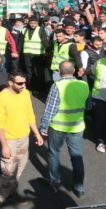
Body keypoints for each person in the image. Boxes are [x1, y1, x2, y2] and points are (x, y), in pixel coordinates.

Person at [0, 70, 43, 209]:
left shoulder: (25, 93)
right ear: (10, 82)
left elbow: (29, 114)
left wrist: (36, 133)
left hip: (24, 139)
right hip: (10, 141)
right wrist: (4, 146)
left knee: (18, 170)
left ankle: (11, 193)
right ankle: (0, 201)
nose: (23, 86)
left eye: (25, 82)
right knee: (7, 173)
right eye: (20, 83)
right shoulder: (0, 100)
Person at [40, 61, 89, 197]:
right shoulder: (84, 84)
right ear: (73, 71)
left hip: (58, 126)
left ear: (60, 72)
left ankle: (55, 181)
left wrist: (44, 126)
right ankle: (78, 187)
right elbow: (89, 104)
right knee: (77, 157)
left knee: (54, 153)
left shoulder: (57, 86)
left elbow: (50, 108)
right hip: (77, 126)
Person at [20, 17, 48, 92]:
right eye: (31, 23)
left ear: (37, 23)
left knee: (37, 72)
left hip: (38, 55)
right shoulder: (24, 30)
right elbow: (20, 43)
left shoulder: (41, 30)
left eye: (34, 23)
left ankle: (38, 88)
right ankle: (30, 87)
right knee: (29, 72)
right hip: (27, 54)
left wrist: (48, 51)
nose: (32, 25)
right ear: (29, 23)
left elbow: (45, 42)